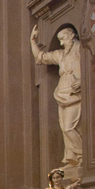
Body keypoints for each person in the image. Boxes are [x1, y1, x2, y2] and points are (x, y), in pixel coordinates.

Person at [31, 25, 83, 167]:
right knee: (64, 128)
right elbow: (41, 57)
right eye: (59, 40)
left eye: (63, 38)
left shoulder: (80, 49)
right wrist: (32, 41)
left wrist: (82, 81)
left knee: (69, 127)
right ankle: (73, 159)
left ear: (72, 35)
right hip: (62, 93)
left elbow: (92, 64)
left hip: (75, 93)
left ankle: (82, 155)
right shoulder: (61, 54)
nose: (61, 43)